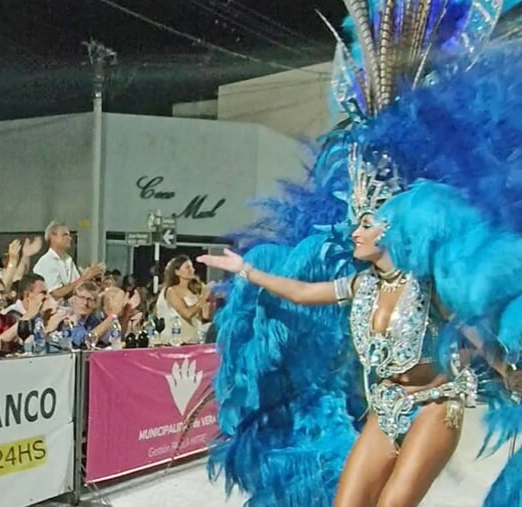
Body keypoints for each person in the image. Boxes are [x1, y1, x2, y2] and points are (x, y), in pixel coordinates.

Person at [197, 3, 522, 506]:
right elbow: (303, 292)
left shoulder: (428, 283)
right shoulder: (361, 286)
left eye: (365, 224)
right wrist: (246, 269)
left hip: (436, 405)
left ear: (391, 232)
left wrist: (509, 372)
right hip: (385, 406)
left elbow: (476, 331)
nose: (355, 232)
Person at [155, 255, 209, 345]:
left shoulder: (193, 292)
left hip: (194, 340)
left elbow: (204, 316)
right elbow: (187, 314)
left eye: (192, 267)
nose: (192, 270)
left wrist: (206, 298)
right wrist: (203, 298)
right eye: (187, 267)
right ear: (177, 272)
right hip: (178, 341)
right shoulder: (172, 291)